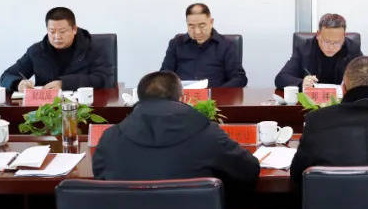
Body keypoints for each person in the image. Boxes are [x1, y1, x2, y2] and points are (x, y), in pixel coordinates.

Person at [93, 71, 259, 192]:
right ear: (181, 98)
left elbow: (100, 178)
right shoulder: (208, 134)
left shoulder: (110, 138)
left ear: (139, 99)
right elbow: (249, 171)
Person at [0, 7, 113, 93]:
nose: (57, 37)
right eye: (52, 31)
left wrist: (64, 84)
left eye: (62, 31)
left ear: (74, 29)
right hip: (45, 110)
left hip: (84, 107)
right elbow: (6, 76)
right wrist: (18, 84)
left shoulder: (92, 48)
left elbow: (103, 78)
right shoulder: (36, 51)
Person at [161, 3, 248, 88]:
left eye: (202, 26)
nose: (197, 32)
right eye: (191, 26)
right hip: (182, 95)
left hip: (214, 96)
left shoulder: (226, 45)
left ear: (211, 22)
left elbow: (239, 79)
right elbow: (164, 75)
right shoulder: (176, 43)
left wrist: (217, 93)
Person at [275, 13, 362, 89]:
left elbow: (366, 77)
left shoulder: (353, 48)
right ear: (318, 35)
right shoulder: (304, 48)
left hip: (342, 101)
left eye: (337, 42)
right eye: (326, 42)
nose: (331, 47)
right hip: (311, 101)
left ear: (344, 37)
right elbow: (281, 78)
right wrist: (302, 83)